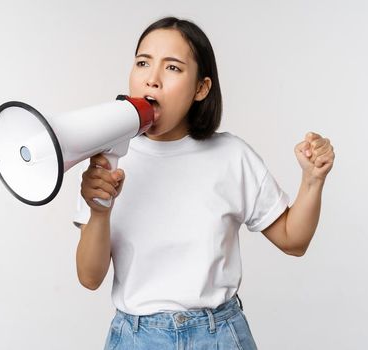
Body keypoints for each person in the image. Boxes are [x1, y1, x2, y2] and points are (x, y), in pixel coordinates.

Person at [73, 17, 335, 350]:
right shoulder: (110, 158)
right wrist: (99, 211)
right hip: (135, 339)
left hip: (219, 337)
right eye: (142, 63)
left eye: (172, 68)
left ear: (201, 88)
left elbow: (293, 240)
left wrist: (313, 179)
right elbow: (90, 277)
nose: (151, 79)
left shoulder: (231, 156)